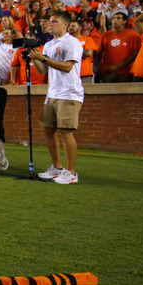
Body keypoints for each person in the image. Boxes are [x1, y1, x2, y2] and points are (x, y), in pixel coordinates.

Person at [29, 10, 84, 185]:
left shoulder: (72, 42)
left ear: (65, 24)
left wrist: (43, 58)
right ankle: (57, 167)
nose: (50, 24)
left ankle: (72, 172)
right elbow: (43, 70)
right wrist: (35, 57)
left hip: (69, 93)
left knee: (66, 132)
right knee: (48, 130)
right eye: (49, 21)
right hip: (52, 93)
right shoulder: (48, 45)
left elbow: (68, 67)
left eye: (54, 21)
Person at [94, 12, 141, 82]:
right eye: (113, 18)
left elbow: (136, 53)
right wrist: (95, 64)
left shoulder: (133, 35)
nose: (115, 20)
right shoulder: (105, 35)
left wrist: (119, 65)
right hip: (108, 71)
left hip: (126, 72)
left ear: (124, 21)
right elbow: (99, 52)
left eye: (118, 18)